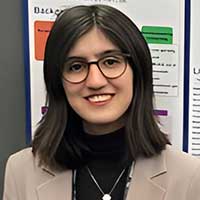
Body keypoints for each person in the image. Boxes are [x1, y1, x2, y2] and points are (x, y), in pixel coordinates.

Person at [3, 4, 200, 200]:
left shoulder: (190, 176)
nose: (95, 81)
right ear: (58, 82)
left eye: (111, 62)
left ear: (137, 72)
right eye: (76, 66)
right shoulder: (21, 171)